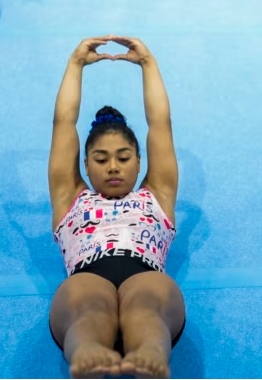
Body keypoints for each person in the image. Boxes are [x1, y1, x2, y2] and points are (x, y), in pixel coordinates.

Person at [47, 35, 186, 379]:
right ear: (85, 163)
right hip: (87, 277)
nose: (112, 166)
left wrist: (148, 64)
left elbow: (160, 124)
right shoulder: (70, 198)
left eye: (123, 158)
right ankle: (87, 352)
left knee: (146, 306)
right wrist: (75, 65)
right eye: (101, 158)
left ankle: (150, 352)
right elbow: (63, 123)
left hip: (145, 274)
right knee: (91, 307)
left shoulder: (157, 194)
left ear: (139, 162)